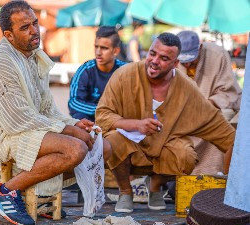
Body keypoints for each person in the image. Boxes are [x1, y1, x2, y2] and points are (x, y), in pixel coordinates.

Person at [0, 1, 112, 225]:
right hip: (2, 134)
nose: (34, 31)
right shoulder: (1, 63)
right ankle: (5, 192)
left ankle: (36, 198)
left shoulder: (32, 55)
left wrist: (76, 123)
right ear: (8, 35)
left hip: (28, 128)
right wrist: (69, 131)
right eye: (25, 27)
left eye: (35, 23)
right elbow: (17, 120)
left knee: (101, 145)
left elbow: (47, 109)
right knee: (75, 148)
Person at [95, 32, 235, 213]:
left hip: (165, 145)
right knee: (111, 142)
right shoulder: (124, 75)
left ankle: (156, 186)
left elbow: (223, 132)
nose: (154, 61)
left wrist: (231, 183)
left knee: (186, 155)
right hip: (128, 142)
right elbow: (102, 115)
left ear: (175, 64)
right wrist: (135, 125)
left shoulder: (187, 88)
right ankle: (125, 191)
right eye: (152, 53)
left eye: (163, 58)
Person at [176, 30, 242, 175]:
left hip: (217, 106)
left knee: (220, 123)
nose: (187, 65)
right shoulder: (173, 60)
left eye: (190, 60)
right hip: (186, 111)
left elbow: (228, 92)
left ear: (199, 48)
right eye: (183, 61)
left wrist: (206, 106)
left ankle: (214, 172)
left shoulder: (218, 54)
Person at [68, 26, 126, 122]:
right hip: (91, 120)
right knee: (79, 116)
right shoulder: (85, 70)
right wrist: (102, 111)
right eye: (96, 47)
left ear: (116, 51)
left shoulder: (125, 71)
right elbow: (74, 102)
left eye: (104, 48)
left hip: (118, 120)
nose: (98, 52)